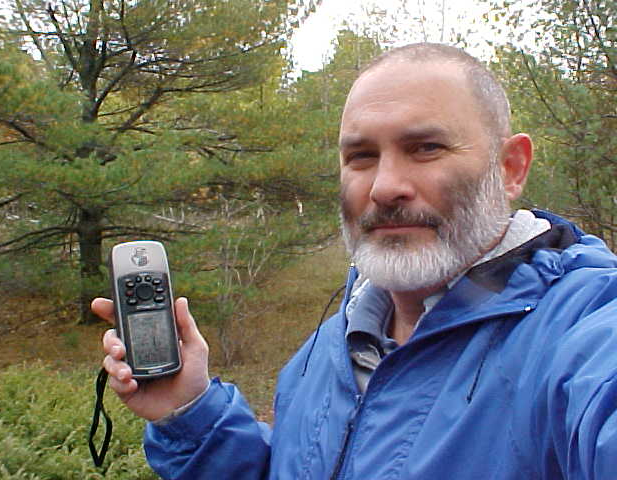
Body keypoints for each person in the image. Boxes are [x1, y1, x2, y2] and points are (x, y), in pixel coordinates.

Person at [94, 43, 617, 479]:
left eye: (427, 148)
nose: (386, 187)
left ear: (510, 167)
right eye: (361, 157)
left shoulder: (583, 326)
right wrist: (190, 412)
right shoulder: (325, 351)